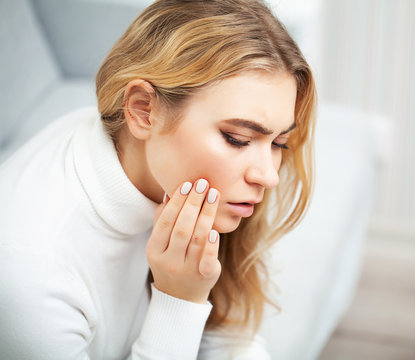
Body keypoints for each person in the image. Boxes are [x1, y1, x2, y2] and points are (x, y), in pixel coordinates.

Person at [0, 0, 316, 358]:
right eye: (237, 139)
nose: (268, 175)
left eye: (279, 143)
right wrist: (179, 302)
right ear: (142, 110)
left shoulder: (194, 182)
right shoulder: (32, 277)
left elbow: (234, 339)